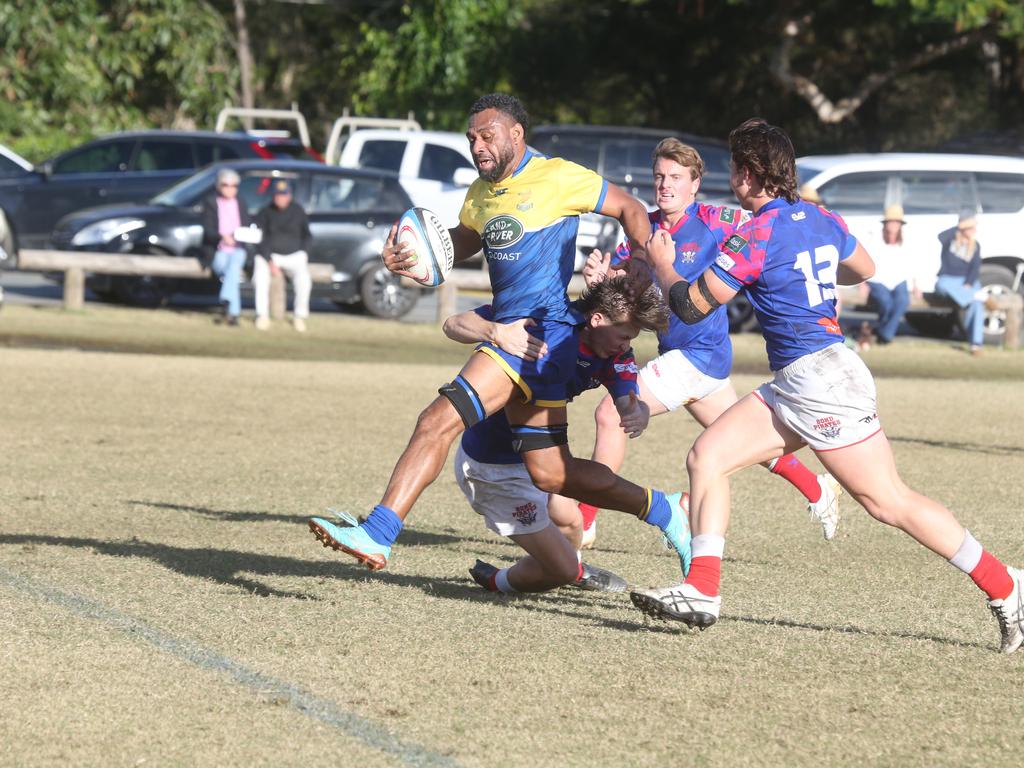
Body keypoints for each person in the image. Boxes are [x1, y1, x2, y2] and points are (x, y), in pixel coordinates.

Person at [630, 118, 1024, 655]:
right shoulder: (818, 215)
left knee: (888, 502)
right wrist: (800, 274)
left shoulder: (757, 232)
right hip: (800, 377)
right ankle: (702, 590)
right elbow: (863, 267)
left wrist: (663, 263)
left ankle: (1008, 586)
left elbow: (689, 304)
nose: (732, 180)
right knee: (707, 457)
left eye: (733, 169)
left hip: (819, 379)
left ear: (749, 173)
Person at [307, 93, 690, 575]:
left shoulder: (557, 176)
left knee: (436, 421)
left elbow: (631, 207)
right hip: (520, 336)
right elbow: (464, 241)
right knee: (551, 472)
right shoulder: (480, 192)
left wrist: (637, 263)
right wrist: (414, 254)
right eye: (471, 138)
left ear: (516, 134)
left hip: (536, 330)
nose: (477, 145)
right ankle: (664, 510)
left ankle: (379, 534)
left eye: (487, 135)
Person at [576, 138, 842, 548]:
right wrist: (602, 279)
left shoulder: (717, 221)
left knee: (611, 414)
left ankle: (583, 522)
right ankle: (818, 489)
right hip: (690, 358)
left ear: (695, 185)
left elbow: (767, 229)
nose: (666, 185)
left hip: (699, 356)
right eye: (660, 176)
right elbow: (627, 289)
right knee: (744, 443)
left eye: (676, 178)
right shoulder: (641, 230)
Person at [442, 275, 669, 594]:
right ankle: (502, 580)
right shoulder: (544, 320)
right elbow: (453, 324)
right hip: (492, 466)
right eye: (623, 336)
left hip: (539, 457)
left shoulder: (612, 354)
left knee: (572, 521)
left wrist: (637, 410)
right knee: (561, 566)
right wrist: (494, 330)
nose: (625, 346)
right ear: (597, 320)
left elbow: (625, 397)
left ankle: (569, 571)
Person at [253, 178, 313, 333]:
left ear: (290, 195)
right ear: (273, 196)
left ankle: (299, 317)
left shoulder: (298, 210)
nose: (281, 198)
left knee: (304, 280)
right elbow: (259, 239)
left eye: (284, 194)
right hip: (271, 256)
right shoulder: (265, 212)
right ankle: (262, 315)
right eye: (278, 194)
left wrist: (304, 253)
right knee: (260, 276)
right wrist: (269, 260)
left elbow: (307, 235)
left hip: (294, 255)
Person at [858, 204, 919, 349]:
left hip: (899, 279)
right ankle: (885, 336)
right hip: (877, 279)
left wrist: (916, 284)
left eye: (896, 222)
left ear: (900, 224)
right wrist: (862, 282)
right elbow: (864, 259)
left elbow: (913, 263)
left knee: (902, 301)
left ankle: (882, 332)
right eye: (890, 221)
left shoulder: (907, 240)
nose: (893, 225)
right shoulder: (874, 238)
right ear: (885, 223)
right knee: (886, 303)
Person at [200, 168, 253, 326]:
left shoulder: (241, 202)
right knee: (232, 272)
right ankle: (233, 313)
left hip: (238, 248)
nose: (230, 189)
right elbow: (208, 231)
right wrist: (222, 237)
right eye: (225, 185)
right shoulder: (211, 203)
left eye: (234, 185)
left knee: (234, 266)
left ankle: (227, 302)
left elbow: (246, 226)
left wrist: (241, 235)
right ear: (218, 186)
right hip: (218, 249)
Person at [933, 213, 989, 355]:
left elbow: (975, 268)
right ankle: (973, 296)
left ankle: (975, 344)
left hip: (965, 283)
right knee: (941, 285)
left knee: (976, 305)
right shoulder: (950, 240)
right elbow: (940, 235)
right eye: (970, 227)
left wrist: (969, 283)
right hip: (948, 280)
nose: (973, 231)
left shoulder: (975, 246)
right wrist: (960, 226)